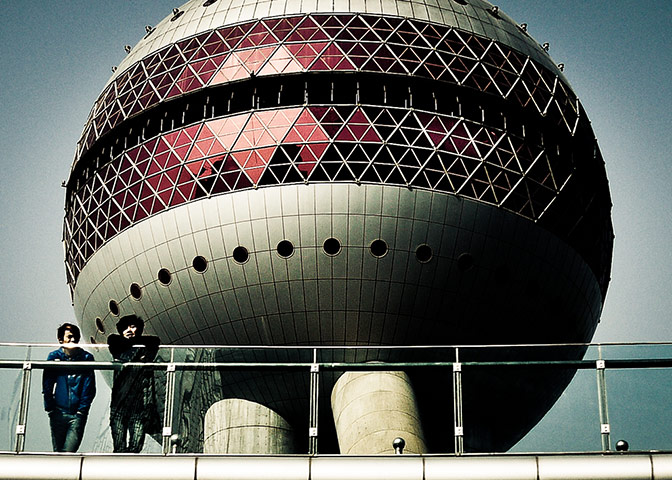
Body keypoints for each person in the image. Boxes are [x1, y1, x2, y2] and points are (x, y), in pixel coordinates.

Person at [107, 315, 161, 453]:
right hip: (119, 403)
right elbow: (113, 342)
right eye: (126, 327)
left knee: (136, 446)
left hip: (139, 405)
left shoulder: (144, 344)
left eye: (132, 326)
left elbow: (155, 340)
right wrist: (135, 344)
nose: (129, 330)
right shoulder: (116, 342)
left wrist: (134, 341)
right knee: (119, 446)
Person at [42, 323, 96, 452]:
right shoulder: (55, 356)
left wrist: (82, 410)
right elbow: (47, 384)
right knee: (58, 452)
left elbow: (89, 387)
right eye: (70, 337)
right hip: (58, 412)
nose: (73, 340)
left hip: (77, 414)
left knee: (69, 452)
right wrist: (50, 408)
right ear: (61, 339)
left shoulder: (86, 358)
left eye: (76, 337)